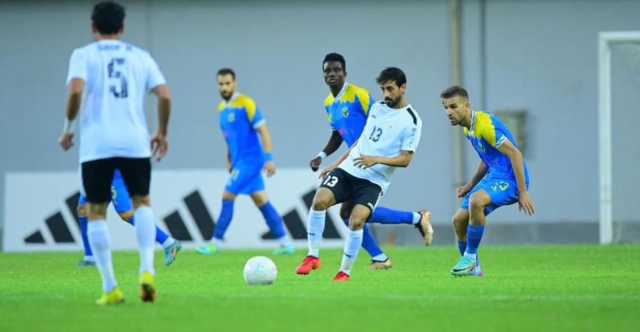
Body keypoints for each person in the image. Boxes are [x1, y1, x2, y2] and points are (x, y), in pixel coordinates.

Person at [59, 1, 171, 304]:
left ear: (93, 27)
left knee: (94, 211)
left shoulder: (83, 55)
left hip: (96, 146)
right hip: (135, 143)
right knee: (142, 203)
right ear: (122, 28)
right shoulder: (140, 56)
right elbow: (164, 94)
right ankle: (147, 271)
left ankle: (110, 287)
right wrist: (161, 132)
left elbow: (76, 90)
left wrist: (69, 127)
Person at [297, 67, 422, 281]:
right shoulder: (377, 108)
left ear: (403, 88)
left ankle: (344, 271)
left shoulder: (412, 120)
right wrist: (334, 164)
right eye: (383, 89)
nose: (386, 94)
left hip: (374, 180)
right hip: (350, 169)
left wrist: (376, 160)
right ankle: (312, 256)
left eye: (390, 89)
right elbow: (359, 142)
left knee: (355, 219)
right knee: (319, 200)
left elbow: (406, 159)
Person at [195, 68, 295, 256]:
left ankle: (215, 242)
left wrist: (269, 159)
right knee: (261, 200)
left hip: (251, 161)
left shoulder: (246, 104)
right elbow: (229, 138)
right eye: (221, 84)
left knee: (227, 196)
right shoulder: (221, 109)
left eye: (227, 83)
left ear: (235, 83)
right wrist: (229, 158)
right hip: (239, 162)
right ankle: (286, 243)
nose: (224, 87)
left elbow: (263, 130)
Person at [440, 86, 535, 277]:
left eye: (453, 106)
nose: (449, 112)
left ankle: (470, 257)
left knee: (477, 201)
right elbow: (487, 158)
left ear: (467, 106)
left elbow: (515, 154)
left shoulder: (485, 126)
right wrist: (470, 185)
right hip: (493, 176)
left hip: (511, 178)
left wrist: (523, 191)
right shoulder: (468, 129)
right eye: (445, 107)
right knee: (458, 220)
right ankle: (474, 269)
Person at [77, 169, 181, 268]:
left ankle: (168, 242)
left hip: (114, 174)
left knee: (127, 214)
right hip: (94, 172)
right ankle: (90, 257)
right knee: (84, 211)